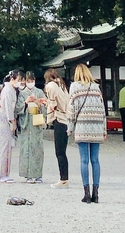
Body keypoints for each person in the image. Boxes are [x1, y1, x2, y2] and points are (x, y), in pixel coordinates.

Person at [68, 63, 106, 204]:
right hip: (96, 126)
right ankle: (96, 193)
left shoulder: (74, 87)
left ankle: (87, 194)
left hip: (82, 126)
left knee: (84, 160)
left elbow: (72, 109)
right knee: (95, 159)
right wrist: (104, 129)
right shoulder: (96, 88)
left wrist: (70, 127)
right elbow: (103, 110)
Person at [17, 71, 46, 183]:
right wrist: (26, 102)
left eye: (32, 81)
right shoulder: (22, 93)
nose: (30, 83)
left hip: (36, 122)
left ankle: (38, 174)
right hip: (26, 122)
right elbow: (18, 108)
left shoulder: (39, 92)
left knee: (37, 148)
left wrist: (39, 103)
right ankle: (28, 174)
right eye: (28, 81)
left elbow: (45, 105)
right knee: (26, 149)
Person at [44, 68, 70, 188]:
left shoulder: (50, 86)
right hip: (66, 119)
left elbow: (53, 105)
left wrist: (46, 103)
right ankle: (65, 177)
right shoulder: (63, 86)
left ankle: (63, 179)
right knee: (63, 151)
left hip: (59, 118)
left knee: (59, 152)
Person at [0, 71, 22, 183]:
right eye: (18, 80)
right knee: (4, 147)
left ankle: (5, 173)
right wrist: (13, 120)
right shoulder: (7, 90)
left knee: (8, 147)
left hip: (8, 120)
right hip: (4, 120)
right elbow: (7, 108)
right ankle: (2, 174)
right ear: (12, 79)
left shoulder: (12, 90)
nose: (19, 82)